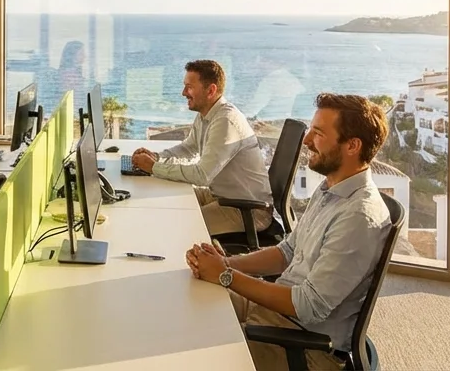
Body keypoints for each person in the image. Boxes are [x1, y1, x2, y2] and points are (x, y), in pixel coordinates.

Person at [184, 93, 392, 371]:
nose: (307, 141)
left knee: (190, 350)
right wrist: (226, 263)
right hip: (274, 313)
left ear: (352, 145)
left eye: (318, 133)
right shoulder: (331, 188)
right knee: (185, 302)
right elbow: (287, 252)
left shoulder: (359, 217)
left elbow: (308, 305)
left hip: (302, 346)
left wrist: (226, 276)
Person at [131, 59, 272, 236]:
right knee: (160, 204)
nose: (183, 93)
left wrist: (153, 167)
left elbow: (202, 175)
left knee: (175, 227)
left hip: (246, 210)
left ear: (211, 90)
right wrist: (157, 157)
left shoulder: (226, 121)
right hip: (219, 196)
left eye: (189, 87)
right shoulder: (206, 114)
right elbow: (189, 148)